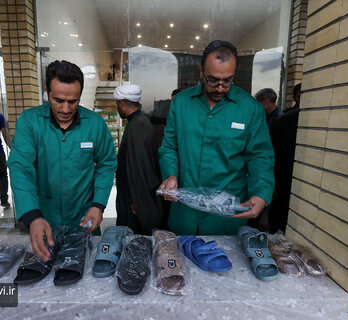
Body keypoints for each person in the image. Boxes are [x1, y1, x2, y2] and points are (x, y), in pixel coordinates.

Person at [159, 40, 275, 235]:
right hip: (185, 212)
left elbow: (260, 156)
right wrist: (171, 175)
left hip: (226, 218)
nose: (220, 88)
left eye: (228, 81)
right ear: (201, 73)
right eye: (213, 80)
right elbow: (170, 147)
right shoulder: (181, 103)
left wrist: (261, 193)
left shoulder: (250, 109)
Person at [7, 60, 117, 261]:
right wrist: (32, 216)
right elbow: (20, 168)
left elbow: (107, 164)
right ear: (47, 91)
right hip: (43, 218)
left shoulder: (95, 124)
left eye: (73, 101)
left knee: (87, 275)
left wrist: (99, 205)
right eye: (58, 100)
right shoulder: (30, 121)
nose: (66, 109)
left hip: (85, 218)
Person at [114, 84, 165, 235]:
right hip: (134, 197)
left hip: (134, 201)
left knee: (134, 239)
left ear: (122, 103)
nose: (118, 108)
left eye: (117, 104)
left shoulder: (138, 126)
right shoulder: (139, 122)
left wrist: (137, 200)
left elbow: (141, 168)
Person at [268, 83, 301, 233]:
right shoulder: (285, 121)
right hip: (284, 180)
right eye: (301, 95)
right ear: (294, 97)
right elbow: (272, 154)